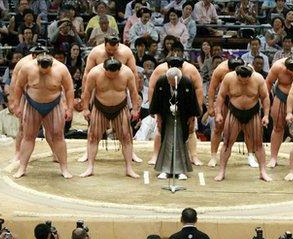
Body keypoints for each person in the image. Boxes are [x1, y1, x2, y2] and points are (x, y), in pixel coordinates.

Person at [78, 35, 142, 163]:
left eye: (114, 50)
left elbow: (134, 73)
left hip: (122, 88)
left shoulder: (126, 52)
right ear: (105, 43)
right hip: (99, 87)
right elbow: (86, 73)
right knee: (93, 122)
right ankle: (88, 151)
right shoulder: (96, 52)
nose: (112, 53)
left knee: (126, 125)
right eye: (109, 50)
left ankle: (131, 152)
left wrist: (136, 93)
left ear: (118, 45)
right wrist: (84, 93)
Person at [12, 53, 74, 179]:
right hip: (32, 105)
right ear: (37, 64)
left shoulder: (61, 69)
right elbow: (18, 87)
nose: (45, 72)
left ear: (51, 64)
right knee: (28, 136)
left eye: (47, 70)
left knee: (58, 136)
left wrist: (69, 108)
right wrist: (16, 105)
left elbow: (69, 89)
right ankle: (22, 167)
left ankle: (64, 168)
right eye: (42, 70)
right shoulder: (27, 68)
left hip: (54, 105)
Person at [81, 58, 140, 179]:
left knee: (126, 137)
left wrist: (134, 109)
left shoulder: (127, 73)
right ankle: (90, 167)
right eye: (109, 74)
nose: (112, 76)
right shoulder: (94, 73)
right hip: (100, 107)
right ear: (104, 69)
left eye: (115, 74)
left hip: (120, 108)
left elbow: (134, 92)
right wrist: (86, 108)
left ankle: (129, 168)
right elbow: (87, 92)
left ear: (119, 69)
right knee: (93, 137)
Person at [214, 65, 271, 182]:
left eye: (246, 80)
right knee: (227, 142)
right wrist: (218, 113)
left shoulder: (258, 79)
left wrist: (265, 115)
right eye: (241, 80)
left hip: (253, 113)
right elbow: (220, 96)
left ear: (251, 75)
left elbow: (265, 97)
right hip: (234, 112)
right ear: (237, 75)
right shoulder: (229, 78)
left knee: (258, 144)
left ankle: (263, 172)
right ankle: (221, 171)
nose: (244, 82)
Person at [147, 55, 204, 166]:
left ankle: (193, 156)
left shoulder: (190, 70)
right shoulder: (160, 71)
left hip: (186, 104)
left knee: (191, 130)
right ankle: (156, 155)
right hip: (164, 103)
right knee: (159, 128)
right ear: (168, 66)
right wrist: (154, 110)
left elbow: (198, 88)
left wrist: (196, 112)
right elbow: (152, 88)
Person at [207, 58, 259, 168]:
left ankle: (250, 155)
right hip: (225, 100)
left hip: (243, 102)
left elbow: (257, 88)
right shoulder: (220, 70)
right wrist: (211, 107)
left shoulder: (249, 71)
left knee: (247, 129)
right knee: (218, 128)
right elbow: (212, 89)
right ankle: (213, 156)